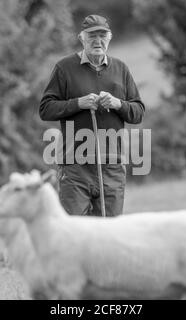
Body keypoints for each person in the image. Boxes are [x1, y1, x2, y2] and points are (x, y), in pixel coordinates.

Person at [39, 14, 145, 217]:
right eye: (92, 36)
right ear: (82, 38)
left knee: (109, 232)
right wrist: (78, 103)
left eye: (102, 35)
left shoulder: (121, 68)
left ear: (110, 37)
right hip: (75, 167)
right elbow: (45, 109)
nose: (97, 41)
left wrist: (117, 103)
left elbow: (138, 112)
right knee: (73, 231)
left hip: (112, 166)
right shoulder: (64, 68)